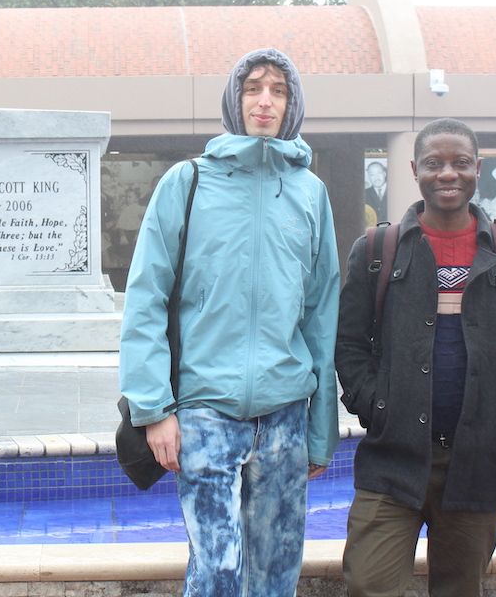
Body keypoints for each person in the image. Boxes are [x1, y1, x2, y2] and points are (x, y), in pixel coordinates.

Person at [119, 48, 340, 597]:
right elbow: (146, 297)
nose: (265, 101)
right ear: (234, 99)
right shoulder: (186, 182)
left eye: (279, 90)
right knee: (216, 574)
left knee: (275, 575)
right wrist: (153, 409)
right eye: (253, 88)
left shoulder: (311, 193)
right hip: (204, 412)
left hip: (286, 414)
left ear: (292, 104)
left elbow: (321, 313)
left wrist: (320, 431)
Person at [336, 117, 496, 597]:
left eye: (460, 163)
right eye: (434, 163)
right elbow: (348, 343)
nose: (448, 174)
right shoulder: (377, 250)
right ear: (414, 169)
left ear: (478, 168)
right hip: (393, 458)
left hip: (480, 461)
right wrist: (376, 405)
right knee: (369, 585)